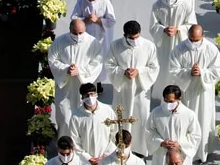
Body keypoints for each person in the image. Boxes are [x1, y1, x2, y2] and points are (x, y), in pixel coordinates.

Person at [169, 25, 220, 163]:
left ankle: (202, 153)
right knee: (186, 122)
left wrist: (202, 72)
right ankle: (185, 152)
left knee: (203, 121)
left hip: (203, 93)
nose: (193, 43)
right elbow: (173, 69)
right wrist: (188, 72)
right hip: (186, 92)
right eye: (191, 39)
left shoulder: (211, 49)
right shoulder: (179, 49)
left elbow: (218, 70)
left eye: (197, 40)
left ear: (202, 36)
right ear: (188, 36)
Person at [106, 21, 159, 156]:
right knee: (121, 117)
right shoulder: (115, 46)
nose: (135, 40)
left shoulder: (149, 46)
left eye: (137, 37)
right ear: (125, 35)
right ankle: (120, 145)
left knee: (141, 117)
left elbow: (154, 67)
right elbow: (109, 65)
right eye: (131, 38)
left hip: (140, 90)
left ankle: (140, 149)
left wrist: (139, 71)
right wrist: (123, 72)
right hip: (123, 90)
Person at [49, 20, 104, 134]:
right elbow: (53, 60)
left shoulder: (93, 43)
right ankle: (65, 145)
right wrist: (66, 69)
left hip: (83, 86)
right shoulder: (59, 41)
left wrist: (80, 71)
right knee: (65, 116)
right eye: (75, 33)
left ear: (85, 30)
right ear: (70, 30)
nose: (78, 36)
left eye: (81, 33)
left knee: (84, 115)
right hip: (65, 87)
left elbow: (97, 63)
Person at [150, 0, 196, 95]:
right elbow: (153, 26)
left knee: (178, 67)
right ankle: (162, 94)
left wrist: (178, 29)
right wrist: (163, 29)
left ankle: (180, 94)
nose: (170, 0)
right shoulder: (157, 5)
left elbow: (192, 25)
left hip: (180, 42)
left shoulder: (186, 5)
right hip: (164, 42)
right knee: (164, 67)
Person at [72, 0, 117, 81]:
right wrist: (86, 20)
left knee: (100, 58)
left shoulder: (104, 1)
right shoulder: (82, 1)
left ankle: (99, 81)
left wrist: (98, 20)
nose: (92, 2)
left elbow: (112, 20)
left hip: (102, 37)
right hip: (86, 36)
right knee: (87, 58)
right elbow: (74, 19)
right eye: (90, 0)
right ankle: (87, 80)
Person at [146, 85, 201, 165]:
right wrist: (161, 142)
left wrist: (180, 144)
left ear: (179, 99)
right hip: (162, 154)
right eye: (166, 101)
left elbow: (195, 135)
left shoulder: (189, 114)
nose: (168, 104)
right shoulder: (156, 113)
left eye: (171, 101)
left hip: (180, 154)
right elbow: (149, 131)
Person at [68, 83, 115, 157]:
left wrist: (107, 153)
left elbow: (115, 133)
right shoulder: (76, 116)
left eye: (92, 94)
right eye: (86, 95)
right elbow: (74, 140)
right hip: (86, 161)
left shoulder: (107, 111)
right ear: (82, 97)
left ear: (96, 94)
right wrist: (87, 157)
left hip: (107, 157)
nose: (90, 97)